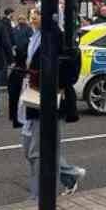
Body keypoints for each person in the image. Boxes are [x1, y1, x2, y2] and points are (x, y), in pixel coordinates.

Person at [21, 13, 86, 199]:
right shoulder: (35, 37)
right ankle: (70, 175)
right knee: (31, 149)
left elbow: (69, 73)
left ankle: (38, 197)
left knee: (37, 153)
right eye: (31, 13)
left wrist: (47, 80)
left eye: (39, 13)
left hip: (49, 99)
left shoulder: (59, 40)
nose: (33, 17)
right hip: (32, 95)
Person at [9, 15, 34, 128]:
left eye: (22, 19)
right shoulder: (27, 30)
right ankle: (21, 116)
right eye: (20, 19)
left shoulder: (19, 29)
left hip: (19, 62)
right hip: (24, 62)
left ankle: (15, 116)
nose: (21, 21)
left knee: (15, 94)